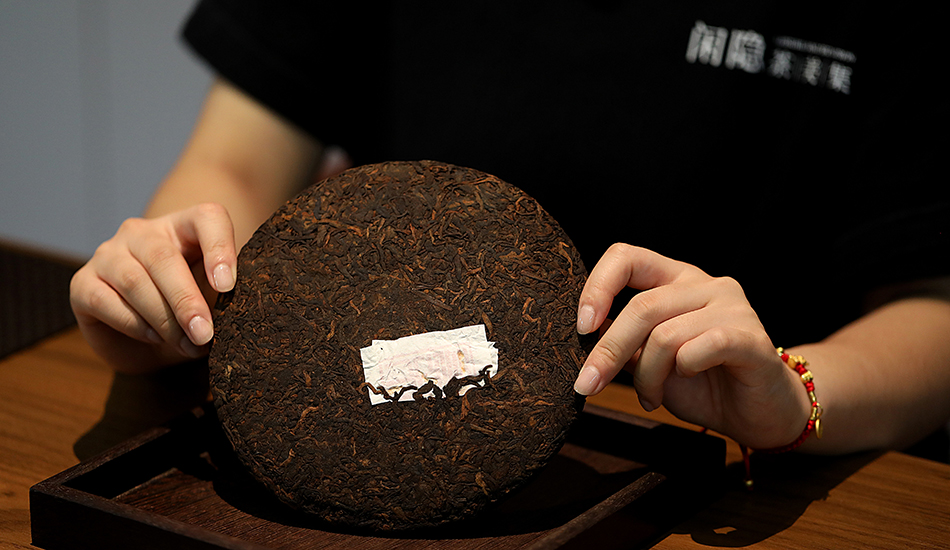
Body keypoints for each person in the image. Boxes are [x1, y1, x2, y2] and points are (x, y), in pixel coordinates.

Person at [70, 2, 950, 457]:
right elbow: (235, 166)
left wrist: (796, 393)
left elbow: (933, 311)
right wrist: (168, 297)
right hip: (377, 431)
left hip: (715, 461)